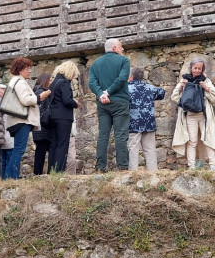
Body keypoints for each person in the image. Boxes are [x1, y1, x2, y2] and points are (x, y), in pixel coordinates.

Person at [3, 57, 51, 180]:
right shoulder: (20, 82)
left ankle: (9, 177)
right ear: (20, 70)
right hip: (22, 120)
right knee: (19, 150)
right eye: (27, 68)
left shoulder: (15, 81)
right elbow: (26, 100)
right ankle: (12, 178)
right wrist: (40, 96)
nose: (30, 71)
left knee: (17, 149)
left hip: (17, 120)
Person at [171, 59, 215, 170]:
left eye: (199, 68)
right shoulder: (184, 80)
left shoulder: (206, 80)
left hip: (204, 115)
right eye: (195, 68)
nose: (197, 70)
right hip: (190, 115)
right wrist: (181, 87)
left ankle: (213, 166)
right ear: (191, 68)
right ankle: (192, 167)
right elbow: (174, 97)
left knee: (208, 138)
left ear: (202, 69)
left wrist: (206, 88)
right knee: (192, 141)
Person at [88, 38, 130, 171]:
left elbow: (91, 83)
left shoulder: (95, 63)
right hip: (120, 102)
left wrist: (101, 94)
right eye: (120, 46)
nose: (122, 49)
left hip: (103, 103)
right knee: (120, 135)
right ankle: (122, 167)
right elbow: (122, 78)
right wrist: (108, 92)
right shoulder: (124, 60)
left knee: (103, 135)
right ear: (114, 48)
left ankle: (100, 167)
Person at [127, 68, 166, 171]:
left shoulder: (127, 88)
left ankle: (133, 172)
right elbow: (162, 92)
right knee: (150, 149)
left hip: (133, 123)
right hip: (149, 122)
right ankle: (153, 173)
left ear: (131, 77)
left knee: (133, 148)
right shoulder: (149, 88)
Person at [47, 61, 80, 173]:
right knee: (62, 145)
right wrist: (76, 104)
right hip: (63, 118)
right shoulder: (64, 83)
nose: (72, 77)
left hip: (52, 117)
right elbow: (67, 100)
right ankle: (58, 171)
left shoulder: (53, 83)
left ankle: (51, 170)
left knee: (54, 145)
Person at [31, 73, 52, 175]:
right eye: (50, 79)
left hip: (40, 127)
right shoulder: (41, 93)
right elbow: (42, 111)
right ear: (45, 80)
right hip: (43, 127)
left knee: (41, 151)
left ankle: (38, 173)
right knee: (41, 151)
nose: (51, 82)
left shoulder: (36, 91)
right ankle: (37, 173)